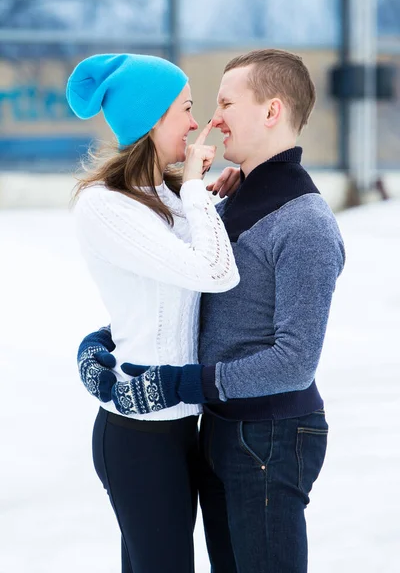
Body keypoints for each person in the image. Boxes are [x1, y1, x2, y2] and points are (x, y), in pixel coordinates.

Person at [77, 49, 345, 572]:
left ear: (271, 112)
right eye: (197, 107)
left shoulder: (307, 223)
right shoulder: (227, 200)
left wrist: (180, 383)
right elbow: (174, 300)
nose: (211, 121)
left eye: (223, 103)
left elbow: (294, 361)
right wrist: (106, 340)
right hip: (215, 430)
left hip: (269, 435)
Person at [68, 53, 240, 573]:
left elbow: (180, 294)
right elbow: (214, 273)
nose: (195, 123)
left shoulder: (161, 195)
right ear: (152, 119)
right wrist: (194, 192)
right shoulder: (106, 205)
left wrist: (203, 197)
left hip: (185, 424)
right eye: (185, 109)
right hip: (139, 433)